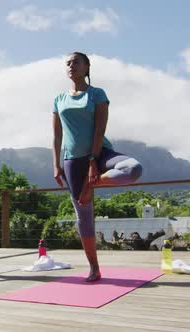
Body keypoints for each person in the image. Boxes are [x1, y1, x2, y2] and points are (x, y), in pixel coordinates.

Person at [52, 52, 143, 281]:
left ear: (86, 67)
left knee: (133, 168)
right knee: (83, 215)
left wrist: (93, 162)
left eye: (76, 62)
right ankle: (94, 267)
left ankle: (91, 184)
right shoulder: (59, 99)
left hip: (100, 153)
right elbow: (56, 136)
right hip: (72, 159)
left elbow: (100, 128)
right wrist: (56, 165)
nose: (71, 66)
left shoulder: (97, 94)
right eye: (68, 63)